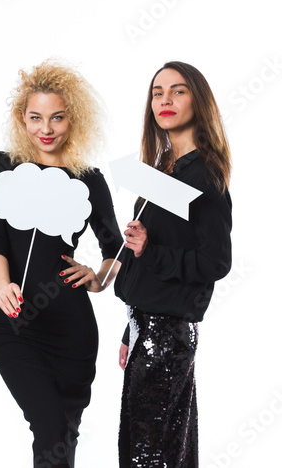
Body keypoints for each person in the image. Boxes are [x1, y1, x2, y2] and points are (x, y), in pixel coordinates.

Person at [0, 60, 120, 468]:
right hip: (14, 317)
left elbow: (115, 248)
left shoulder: (88, 178)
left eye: (57, 118)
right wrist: (1, 285)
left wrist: (98, 277)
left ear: (72, 119)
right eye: (36, 117)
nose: (46, 129)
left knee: (64, 431)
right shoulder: (0, 166)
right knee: (48, 423)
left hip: (71, 327)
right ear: (21, 118)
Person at [114, 61, 232, 467]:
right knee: (154, 449)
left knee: (152, 454)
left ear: (197, 101)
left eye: (178, 91)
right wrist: (130, 329)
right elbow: (145, 264)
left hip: (168, 335)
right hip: (145, 326)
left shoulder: (205, 176)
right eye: (157, 92)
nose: (165, 100)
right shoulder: (163, 169)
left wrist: (151, 250)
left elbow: (216, 261)